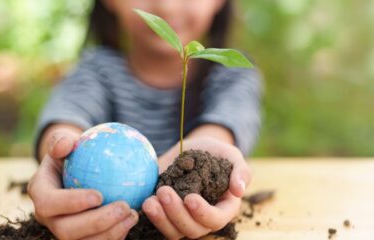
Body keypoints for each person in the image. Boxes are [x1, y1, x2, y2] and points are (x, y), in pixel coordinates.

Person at [27, 0, 262, 239]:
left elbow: (224, 125)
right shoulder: (96, 70)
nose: (167, 7)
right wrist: (60, 154)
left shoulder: (231, 75)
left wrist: (205, 164)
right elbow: (67, 117)